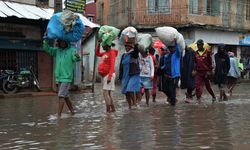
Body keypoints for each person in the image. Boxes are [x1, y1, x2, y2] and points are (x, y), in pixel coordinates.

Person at [43, 39, 81, 118]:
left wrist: (77, 56)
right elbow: (47, 49)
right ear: (59, 43)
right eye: (61, 42)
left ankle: (59, 115)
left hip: (66, 77)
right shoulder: (57, 51)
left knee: (61, 95)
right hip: (59, 77)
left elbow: (76, 58)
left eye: (64, 42)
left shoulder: (72, 50)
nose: (62, 43)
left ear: (67, 42)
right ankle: (72, 112)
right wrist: (45, 40)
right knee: (65, 96)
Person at [96, 42, 118, 113]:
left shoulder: (112, 53)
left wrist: (109, 76)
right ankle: (113, 110)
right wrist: (98, 44)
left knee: (105, 93)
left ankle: (108, 111)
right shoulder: (105, 53)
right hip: (105, 75)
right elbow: (97, 53)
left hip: (109, 75)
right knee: (108, 93)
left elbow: (112, 65)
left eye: (103, 45)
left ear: (108, 45)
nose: (102, 46)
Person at [119, 41, 141, 109]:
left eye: (128, 46)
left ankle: (135, 104)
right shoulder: (123, 55)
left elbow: (136, 52)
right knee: (126, 92)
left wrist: (135, 45)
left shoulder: (133, 54)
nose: (127, 47)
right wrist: (120, 76)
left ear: (131, 47)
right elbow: (121, 66)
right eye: (126, 46)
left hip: (133, 74)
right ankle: (129, 106)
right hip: (125, 75)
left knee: (130, 89)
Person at [194, 39, 216, 103]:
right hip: (199, 72)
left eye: (199, 45)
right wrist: (194, 70)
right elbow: (195, 62)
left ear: (202, 45)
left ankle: (213, 96)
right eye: (197, 45)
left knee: (208, 86)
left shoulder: (207, 52)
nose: (198, 46)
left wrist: (210, 71)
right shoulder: (196, 53)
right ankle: (198, 99)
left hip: (206, 72)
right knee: (197, 86)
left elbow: (210, 63)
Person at [162, 42, 181, 106]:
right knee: (165, 89)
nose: (171, 49)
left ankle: (173, 104)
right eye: (170, 48)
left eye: (172, 48)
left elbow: (178, 50)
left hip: (175, 75)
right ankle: (173, 100)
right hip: (167, 75)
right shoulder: (167, 56)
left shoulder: (177, 55)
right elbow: (165, 65)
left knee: (172, 89)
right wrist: (163, 71)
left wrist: (176, 42)